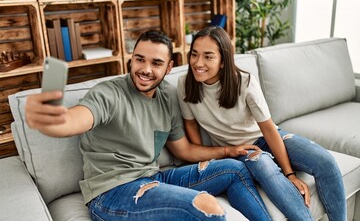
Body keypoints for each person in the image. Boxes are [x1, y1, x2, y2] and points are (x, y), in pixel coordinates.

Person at [25, 30, 273, 221]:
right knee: (206, 206)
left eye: (156, 63)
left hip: (154, 178)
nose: (145, 69)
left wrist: (229, 151)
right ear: (131, 60)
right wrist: (53, 121)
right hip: (112, 192)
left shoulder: (167, 95)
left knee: (235, 169)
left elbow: (184, 151)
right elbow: (76, 119)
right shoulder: (109, 94)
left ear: (169, 67)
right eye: (139, 60)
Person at [177, 26, 346, 221]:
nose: (198, 63)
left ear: (223, 61)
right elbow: (190, 124)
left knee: (325, 161)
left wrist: (290, 174)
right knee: (263, 164)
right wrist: (204, 160)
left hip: (266, 137)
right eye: (195, 55)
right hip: (240, 149)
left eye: (208, 57)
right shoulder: (185, 84)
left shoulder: (244, 82)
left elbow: (268, 128)